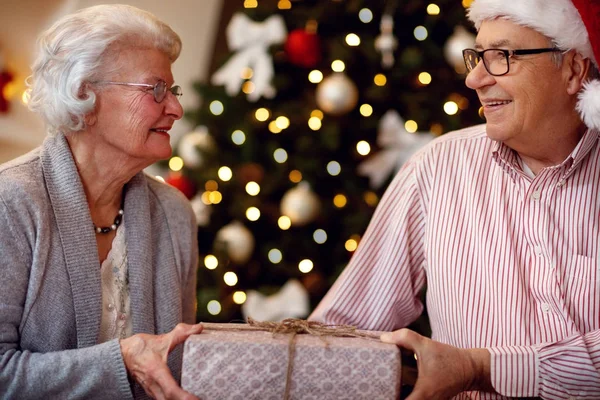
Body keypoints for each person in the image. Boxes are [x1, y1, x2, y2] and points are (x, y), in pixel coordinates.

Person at [311, 0, 600, 398]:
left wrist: (480, 368)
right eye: (477, 57)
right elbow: (340, 336)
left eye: (502, 56)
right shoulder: (435, 169)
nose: (475, 79)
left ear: (573, 69)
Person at [0, 5, 203, 399]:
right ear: (84, 94)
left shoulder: (174, 213)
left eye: (173, 91)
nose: (176, 109)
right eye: (156, 89)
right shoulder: (12, 201)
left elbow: (182, 365)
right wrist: (121, 360)